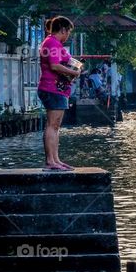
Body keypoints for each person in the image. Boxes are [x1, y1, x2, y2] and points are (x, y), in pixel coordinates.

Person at [37, 15, 81, 170]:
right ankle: (50, 161)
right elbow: (55, 66)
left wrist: (73, 70)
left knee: (55, 126)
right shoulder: (52, 43)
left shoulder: (54, 43)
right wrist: (73, 73)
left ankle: (56, 160)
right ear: (62, 29)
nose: (68, 34)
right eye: (68, 31)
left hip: (58, 89)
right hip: (51, 88)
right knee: (52, 125)